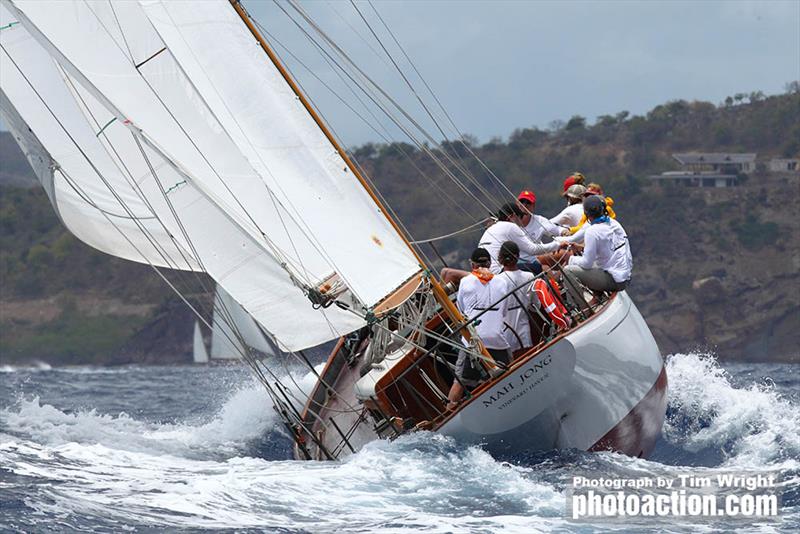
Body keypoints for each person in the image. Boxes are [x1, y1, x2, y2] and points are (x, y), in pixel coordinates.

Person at [447, 248, 513, 409]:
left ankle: (448, 410)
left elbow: (461, 311)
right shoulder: (502, 282)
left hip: (473, 342)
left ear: (472, 264)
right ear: (490, 263)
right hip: (498, 340)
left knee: (459, 383)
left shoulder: (465, 281)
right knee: (509, 371)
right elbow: (503, 312)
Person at [562, 195, 632, 306]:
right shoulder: (614, 223)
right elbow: (607, 250)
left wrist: (570, 259)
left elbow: (587, 264)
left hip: (615, 280)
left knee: (567, 271)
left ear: (586, 214)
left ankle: (583, 310)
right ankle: (597, 296)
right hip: (625, 277)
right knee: (592, 260)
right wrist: (581, 248)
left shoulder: (592, 231)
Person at [478, 202, 562, 274]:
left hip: (484, 273)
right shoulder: (510, 226)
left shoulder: (491, 229)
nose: (521, 223)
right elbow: (532, 249)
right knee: (542, 268)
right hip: (498, 272)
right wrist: (558, 245)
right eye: (520, 217)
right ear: (513, 216)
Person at [497, 241, 536, 355]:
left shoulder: (496, 281)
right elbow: (536, 306)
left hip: (505, 335)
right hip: (524, 333)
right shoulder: (529, 276)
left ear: (500, 258)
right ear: (518, 256)